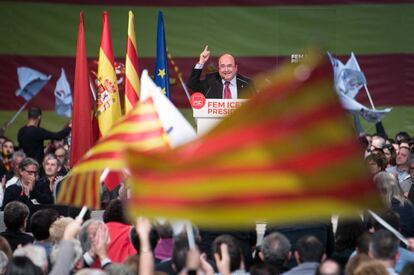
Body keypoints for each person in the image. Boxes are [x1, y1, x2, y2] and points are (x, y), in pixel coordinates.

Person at [187, 46, 255, 99]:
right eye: (222, 66)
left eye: (229, 66)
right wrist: (201, 62)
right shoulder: (211, 81)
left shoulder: (247, 84)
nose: (226, 70)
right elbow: (192, 84)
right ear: (219, 68)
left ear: (235, 68)